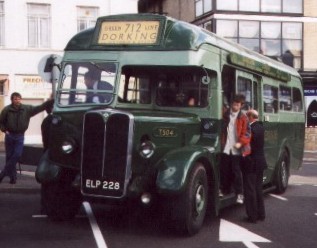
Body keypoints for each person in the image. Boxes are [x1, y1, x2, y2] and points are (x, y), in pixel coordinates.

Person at [0, 92, 53, 184]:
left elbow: (39, 108)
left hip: (20, 136)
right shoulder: (7, 110)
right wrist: (5, 130)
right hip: (10, 136)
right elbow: (1, 122)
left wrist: (50, 101)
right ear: (12, 100)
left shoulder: (26, 109)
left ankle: (3, 173)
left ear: (21, 99)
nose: (17, 100)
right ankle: (13, 178)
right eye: (15, 99)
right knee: (9, 157)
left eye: (19, 99)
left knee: (17, 155)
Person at [220, 94, 251, 204]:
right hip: (226, 146)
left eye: (237, 105)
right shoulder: (226, 114)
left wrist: (240, 143)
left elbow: (247, 133)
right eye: (233, 104)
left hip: (237, 148)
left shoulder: (243, 117)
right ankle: (225, 190)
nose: (235, 106)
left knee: (237, 171)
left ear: (241, 105)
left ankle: (239, 194)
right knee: (225, 170)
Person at [242, 109, 267, 223]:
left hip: (251, 163)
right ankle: (261, 214)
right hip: (260, 162)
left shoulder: (251, 129)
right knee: (258, 189)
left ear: (251, 117)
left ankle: (252, 216)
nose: (246, 118)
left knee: (250, 190)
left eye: (247, 116)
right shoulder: (260, 127)